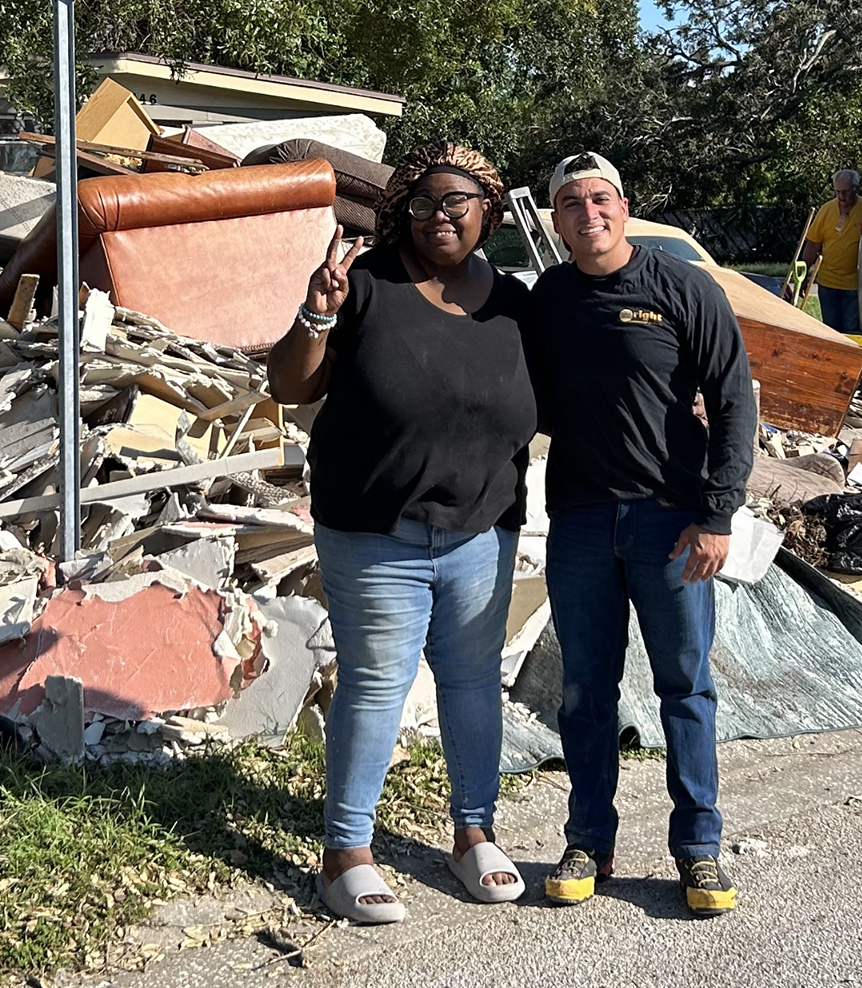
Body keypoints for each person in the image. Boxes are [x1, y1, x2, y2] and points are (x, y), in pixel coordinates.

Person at [267, 142, 537, 924]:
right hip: (375, 531)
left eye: (457, 202)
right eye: (421, 203)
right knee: (378, 686)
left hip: (482, 530)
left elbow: (555, 400)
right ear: (400, 214)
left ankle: (473, 832)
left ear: (487, 208)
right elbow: (290, 385)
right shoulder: (367, 285)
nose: (438, 217)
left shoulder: (514, 302)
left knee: (471, 682)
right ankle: (345, 851)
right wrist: (317, 310)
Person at [527, 151, 755, 916]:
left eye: (600, 199)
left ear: (624, 207)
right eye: (570, 204)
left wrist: (717, 513)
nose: (587, 213)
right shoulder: (548, 299)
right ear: (555, 221)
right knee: (585, 690)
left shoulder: (684, 288)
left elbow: (733, 403)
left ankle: (698, 849)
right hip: (582, 521)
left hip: (671, 522)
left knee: (684, 688)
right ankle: (589, 836)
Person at [801, 169, 862, 334]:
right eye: (837, 192)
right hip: (828, 284)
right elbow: (813, 244)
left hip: (855, 286)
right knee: (831, 332)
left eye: (845, 192)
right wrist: (804, 274)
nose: (841, 197)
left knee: (853, 333)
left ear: (856, 189)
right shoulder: (827, 209)